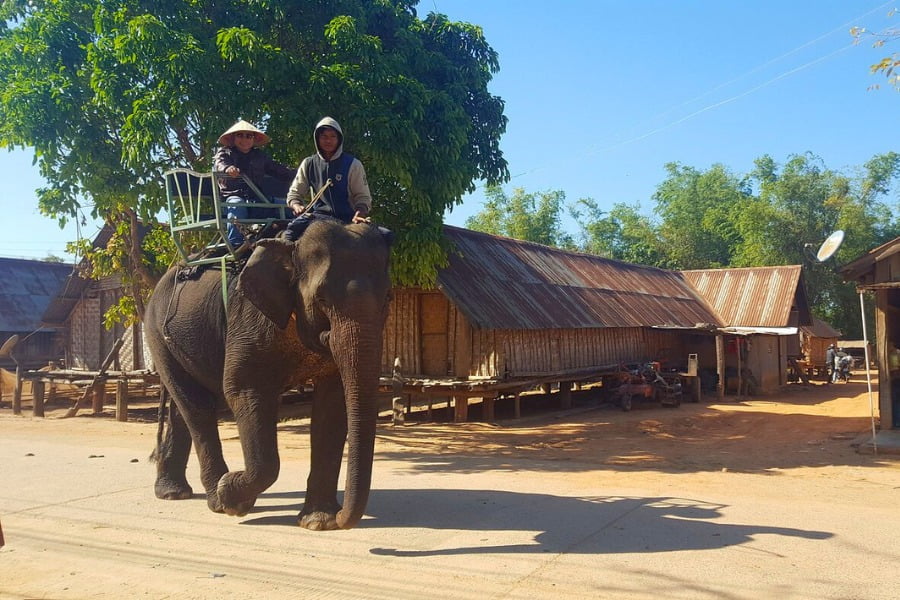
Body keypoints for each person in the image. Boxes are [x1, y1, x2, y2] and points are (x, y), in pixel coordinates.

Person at [283, 117, 372, 241]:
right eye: (324, 136)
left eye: (332, 136)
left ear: (339, 139)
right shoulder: (309, 163)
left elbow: (363, 197)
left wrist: (360, 213)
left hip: (348, 218)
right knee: (289, 233)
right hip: (318, 217)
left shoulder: (353, 164)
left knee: (385, 236)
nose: (328, 140)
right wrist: (296, 205)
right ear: (317, 139)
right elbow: (294, 193)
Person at [213, 119, 296, 248]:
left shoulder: (260, 156)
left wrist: (301, 173)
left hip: (259, 201)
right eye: (240, 135)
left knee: (292, 208)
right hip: (234, 198)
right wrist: (227, 169)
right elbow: (220, 163)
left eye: (248, 136)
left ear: (253, 139)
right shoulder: (225, 153)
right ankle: (235, 245)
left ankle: (295, 241)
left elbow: (279, 171)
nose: (244, 139)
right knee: (236, 205)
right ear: (233, 138)